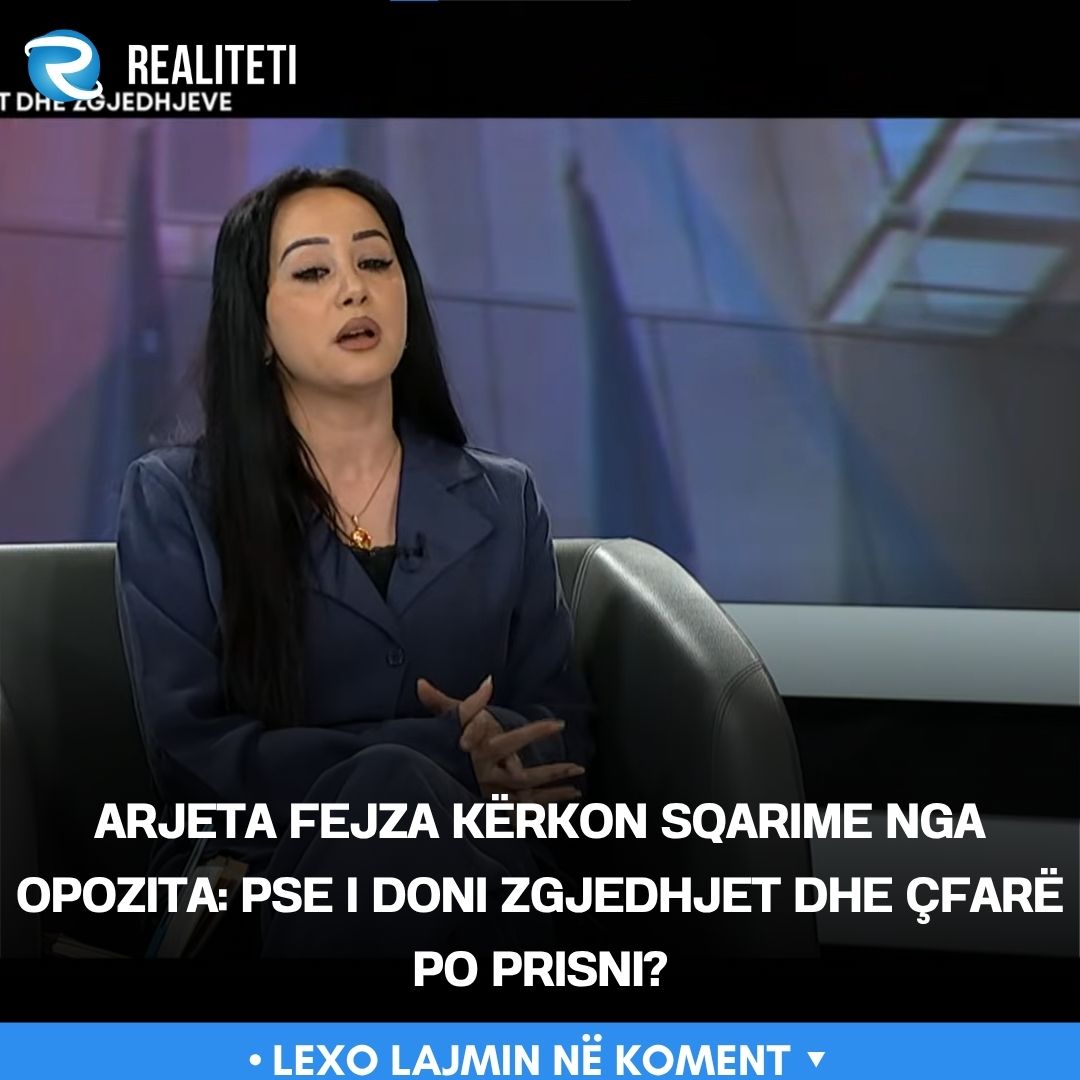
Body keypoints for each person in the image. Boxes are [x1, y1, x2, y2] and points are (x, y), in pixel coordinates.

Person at [113, 165, 596, 959]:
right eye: (312, 272)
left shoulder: (505, 498)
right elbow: (192, 757)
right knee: (390, 793)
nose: (354, 289)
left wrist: (503, 747)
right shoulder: (176, 499)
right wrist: (441, 754)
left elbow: (559, 723)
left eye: (374, 261)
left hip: (484, 867)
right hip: (262, 876)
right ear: (257, 328)